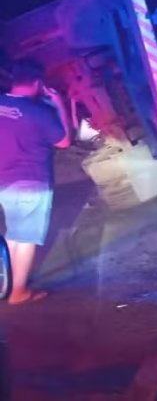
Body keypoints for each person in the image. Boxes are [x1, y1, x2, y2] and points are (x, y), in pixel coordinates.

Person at [0, 60, 71, 305]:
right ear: (38, 83)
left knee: (13, 235)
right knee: (27, 237)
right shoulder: (38, 112)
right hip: (31, 182)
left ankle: (6, 284)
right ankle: (18, 292)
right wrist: (59, 104)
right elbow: (63, 141)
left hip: (4, 182)